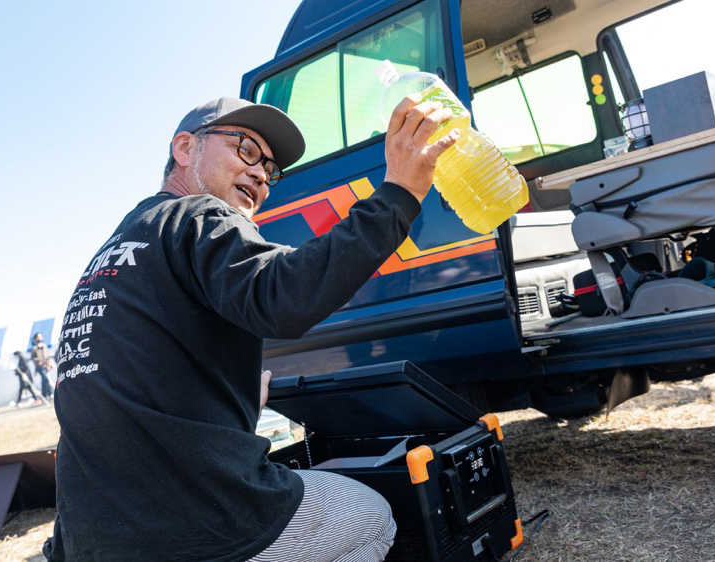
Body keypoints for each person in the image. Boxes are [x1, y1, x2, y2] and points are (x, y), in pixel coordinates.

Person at [46, 95, 458, 561]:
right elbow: (286, 295)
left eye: (270, 168)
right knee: (371, 517)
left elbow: (133, 382)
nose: (261, 173)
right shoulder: (197, 215)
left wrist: (231, 403)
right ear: (185, 148)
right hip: (190, 525)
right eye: (245, 149)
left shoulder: (122, 245)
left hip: (93, 540)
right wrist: (400, 192)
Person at [31, 333, 53, 399]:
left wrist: (49, 364)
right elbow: (33, 358)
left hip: (46, 365)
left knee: (46, 379)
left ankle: (48, 394)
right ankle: (45, 394)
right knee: (45, 378)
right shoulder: (34, 348)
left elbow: (47, 356)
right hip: (39, 366)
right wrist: (40, 359)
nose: (40, 338)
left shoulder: (44, 346)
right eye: (39, 337)